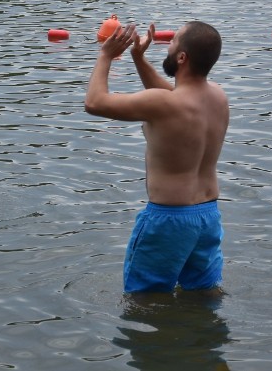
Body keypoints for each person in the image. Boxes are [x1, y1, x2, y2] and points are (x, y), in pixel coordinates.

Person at [85, 21, 229, 293]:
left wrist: (106, 55)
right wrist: (138, 58)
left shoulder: (164, 103)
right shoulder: (217, 96)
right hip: (207, 216)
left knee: (143, 300)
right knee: (203, 293)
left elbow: (94, 102)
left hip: (169, 219)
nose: (168, 47)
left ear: (182, 57)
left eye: (173, 42)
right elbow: (169, 97)